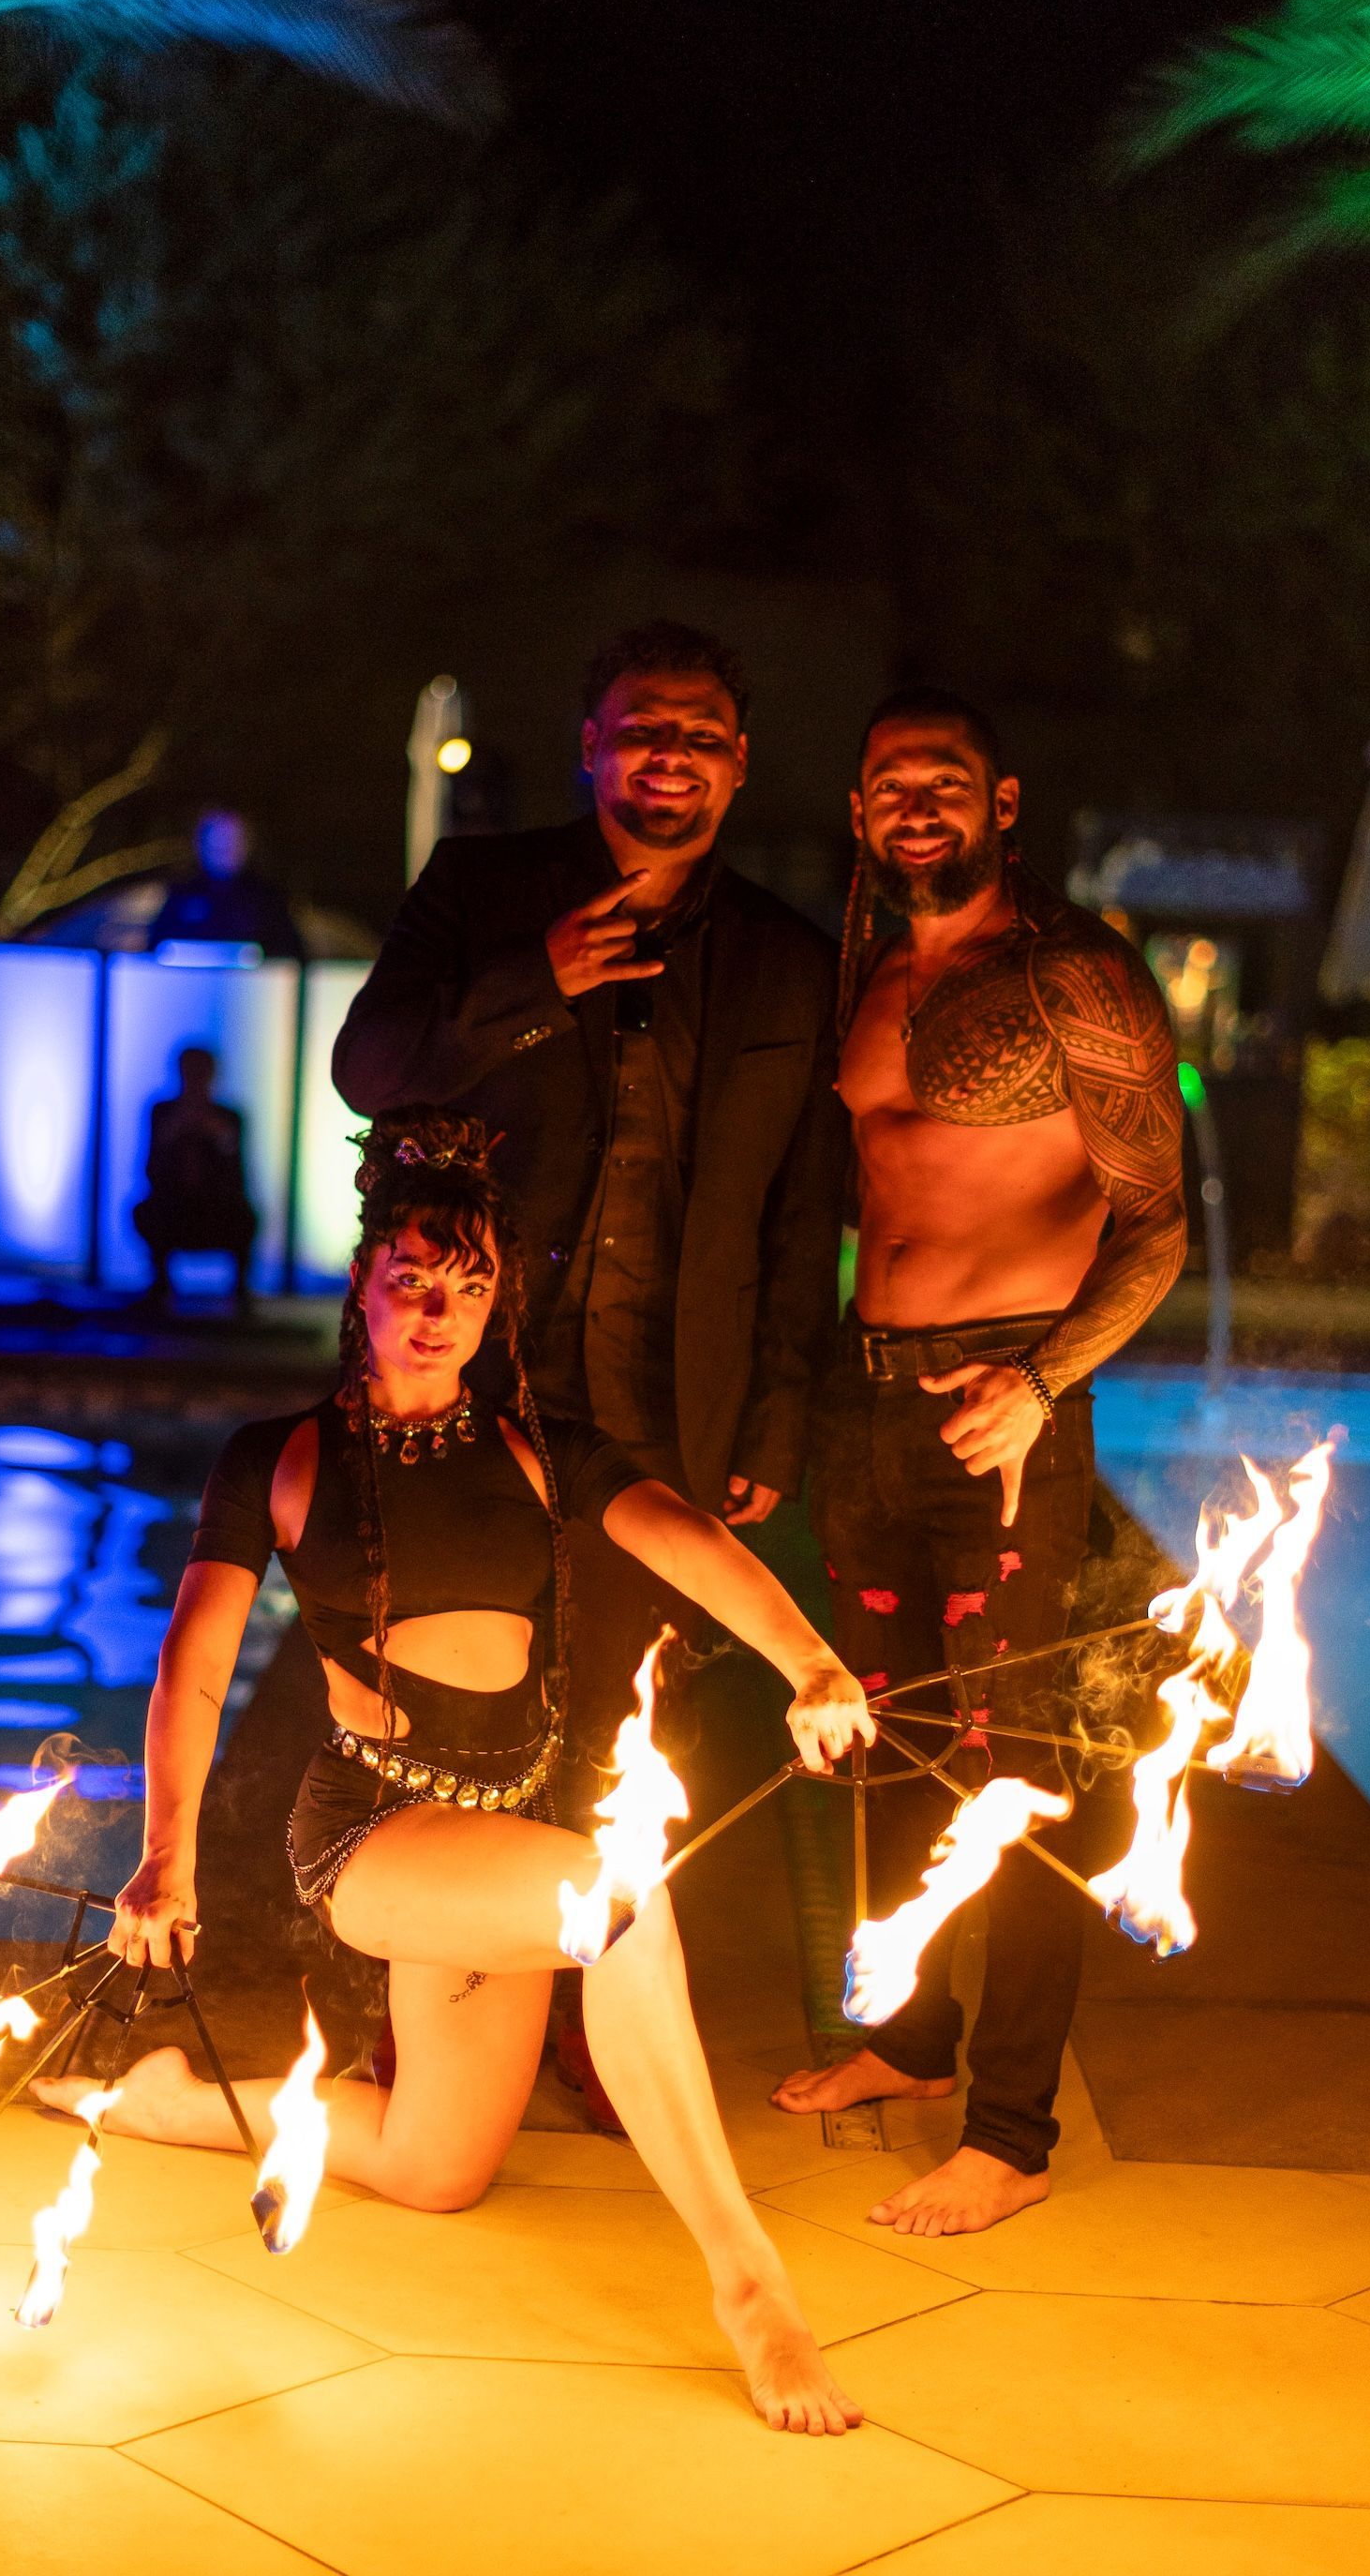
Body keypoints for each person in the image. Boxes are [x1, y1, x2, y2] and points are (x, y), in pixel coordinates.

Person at [36, 1110, 874, 2435]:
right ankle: (750, 2285)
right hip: (369, 1835)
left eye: (469, 1285)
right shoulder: (282, 1457)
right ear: (362, 1282)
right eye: (412, 1280)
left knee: (434, 2169)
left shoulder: (535, 1443)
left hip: (498, 1838)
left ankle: (177, 2108)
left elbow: (681, 1538)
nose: (437, 1311)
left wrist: (808, 1661)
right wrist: (167, 1856)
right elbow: (189, 1670)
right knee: (617, 1899)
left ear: (498, 1303)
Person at [331, 622, 846, 2118]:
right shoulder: (483, 894)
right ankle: (430, 2005)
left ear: (738, 762)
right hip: (470, 1391)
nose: (664, 754)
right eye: (638, 727)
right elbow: (369, 1068)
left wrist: (776, 1407)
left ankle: (586, 2022)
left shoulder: (782, 962)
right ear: (588, 745)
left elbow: (800, 1211)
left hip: (657, 1398)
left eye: (696, 731)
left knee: (628, 1714)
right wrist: (527, 979)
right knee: (443, 1697)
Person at [770, 689, 1185, 2237]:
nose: (912, 802)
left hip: (1006, 1403)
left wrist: (1041, 1381)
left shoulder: (1077, 977)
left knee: (1018, 1777)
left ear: (1002, 801)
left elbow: (1158, 1225)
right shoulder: (862, 977)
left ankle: (1010, 2131)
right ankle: (909, 2040)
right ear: (861, 809)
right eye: (888, 781)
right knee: (881, 1742)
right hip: (862, 1400)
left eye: (942, 778)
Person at [132, 1044, 258, 1309]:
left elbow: (239, 1171)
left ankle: (241, 1289)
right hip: (173, 1207)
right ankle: (160, 1283)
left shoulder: (229, 1117)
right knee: (146, 1212)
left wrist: (216, 1133)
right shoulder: (163, 1112)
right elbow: (151, 1165)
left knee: (246, 1216)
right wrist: (178, 1127)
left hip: (218, 1208)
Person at [148, 807, 304, 959]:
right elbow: (156, 951)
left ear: (247, 845)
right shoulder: (180, 894)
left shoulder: (268, 899)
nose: (224, 847)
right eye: (217, 840)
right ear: (201, 844)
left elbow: (291, 956)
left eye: (232, 840)